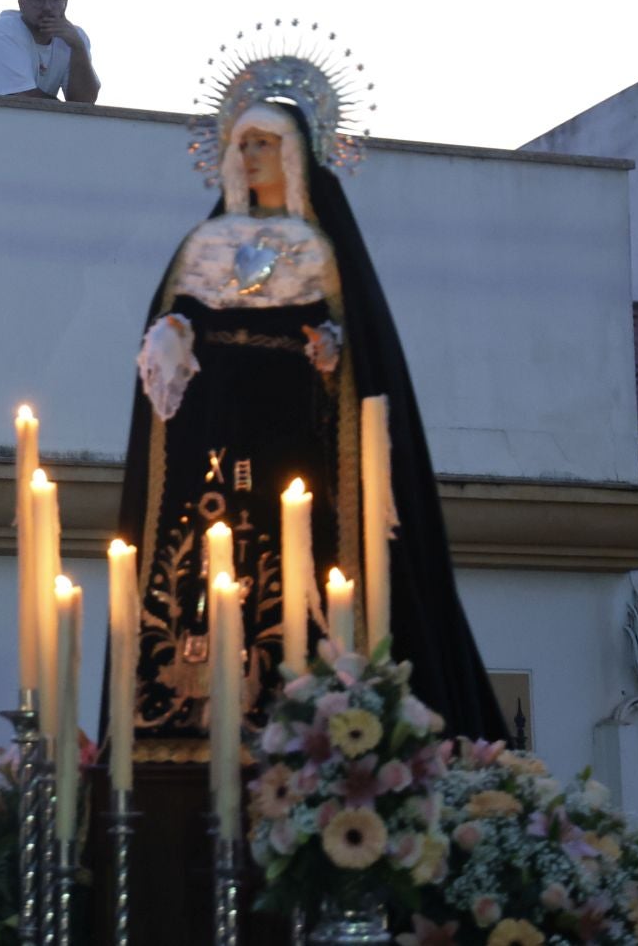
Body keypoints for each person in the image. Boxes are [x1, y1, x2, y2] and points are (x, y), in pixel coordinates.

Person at [113, 64, 507, 762]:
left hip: (296, 451)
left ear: (295, 153)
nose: (250, 155)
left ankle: (315, 703)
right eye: (242, 144)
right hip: (213, 450)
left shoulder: (323, 250)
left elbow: (363, 359)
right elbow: (175, 329)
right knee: (201, 580)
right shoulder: (203, 247)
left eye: (264, 143)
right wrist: (171, 333)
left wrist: (330, 349)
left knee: (301, 577)